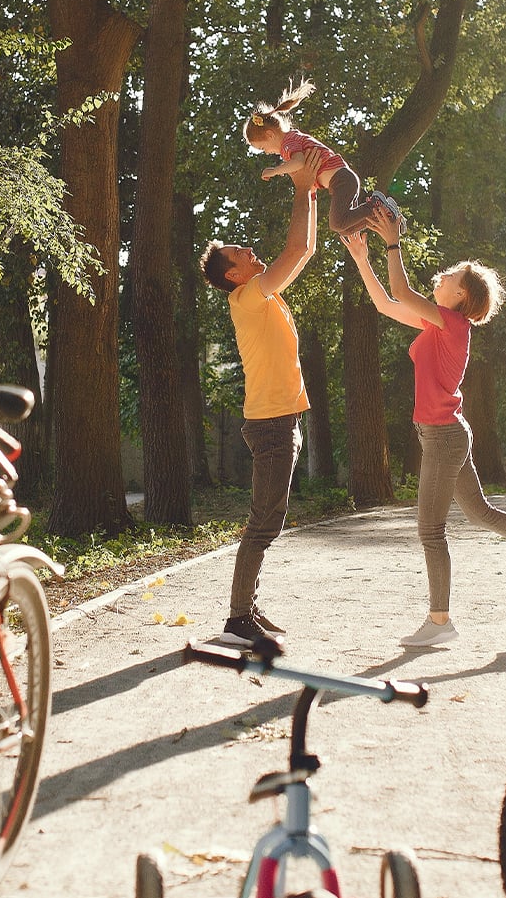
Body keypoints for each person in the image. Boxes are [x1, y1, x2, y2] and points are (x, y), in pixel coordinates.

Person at [342, 206, 506, 648]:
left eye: (451, 276)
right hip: (447, 433)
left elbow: (400, 288)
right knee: (480, 513)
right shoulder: (438, 321)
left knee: (431, 530)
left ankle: (440, 620)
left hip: (445, 437)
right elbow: (386, 303)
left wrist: (392, 241)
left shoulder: (451, 324)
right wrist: (361, 259)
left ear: (462, 297)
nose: (442, 276)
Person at [198, 149, 324, 649]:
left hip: (280, 421)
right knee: (263, 520)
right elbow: (295, 252)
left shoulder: (263, 295)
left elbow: (305, 249)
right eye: (242, 254)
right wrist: (298, 188)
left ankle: (245, 607)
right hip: (271, 424)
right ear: (233, 275)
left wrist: (310, 191)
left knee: (269, 518)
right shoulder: (248, 298)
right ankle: (237, 620)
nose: (252, 252)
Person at [244, 78, 405, 237]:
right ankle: (383, 216)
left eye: (262, 148)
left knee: (337, 224)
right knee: (345, 230)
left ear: (270, 134)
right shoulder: (293, 140)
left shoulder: (288, 143)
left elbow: (298, 163)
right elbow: (307, 174)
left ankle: (373, 206)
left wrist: (275, 171)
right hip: (342, 181)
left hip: (341, 180)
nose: (266, 152)